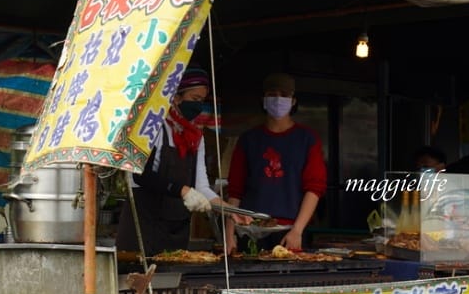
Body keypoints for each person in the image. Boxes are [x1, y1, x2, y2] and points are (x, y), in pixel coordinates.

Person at [116, 67, 249, 255]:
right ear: (176, 97)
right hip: (144, 228)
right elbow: (140, 175)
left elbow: (201, 187)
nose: (199, 106)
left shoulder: (196, 136)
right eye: (195, 99)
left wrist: (228, 210)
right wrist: (183, 190)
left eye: (202, 101)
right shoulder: (153, 127)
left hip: (177, 232)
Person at [224, 72, 328, 253]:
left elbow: (314, 188)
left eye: (284, 95)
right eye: (272, 94)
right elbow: (235, 190)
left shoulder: (308, 139)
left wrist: (297, 230)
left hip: (289, 233)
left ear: (293, 101)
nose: (278, 99)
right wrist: (229, 235)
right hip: (251, 231)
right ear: (263, 99)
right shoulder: (248, 140)